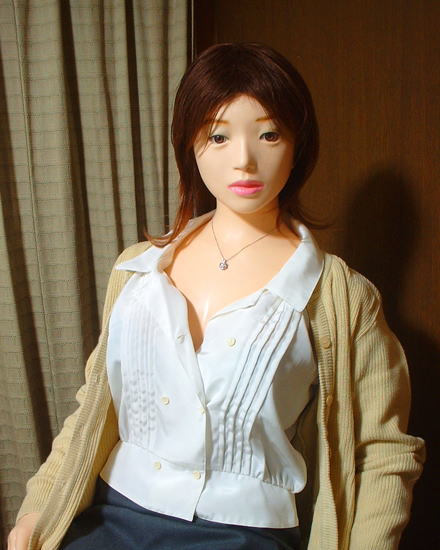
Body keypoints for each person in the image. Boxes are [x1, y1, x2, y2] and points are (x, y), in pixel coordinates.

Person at [8, 42, 425, 550]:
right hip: (110, 515)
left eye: (269, 134)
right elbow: (93, 403)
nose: (244, 160)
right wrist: (38, 507)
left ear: (298, 143)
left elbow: (382, 453)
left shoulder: (343, 298)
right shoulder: (137, 271)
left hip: (244, 531)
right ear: (190, 143)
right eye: (218, 136)